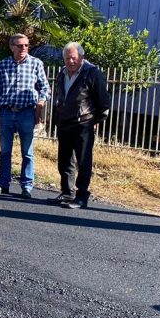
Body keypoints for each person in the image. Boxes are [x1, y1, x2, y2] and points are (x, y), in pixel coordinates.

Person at [0, 33, 51, 199]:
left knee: (27, 152)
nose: (24, 48)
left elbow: (45, 88)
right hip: (7, 112)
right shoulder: (3, 65)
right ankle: (3, 184)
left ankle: (27, 186)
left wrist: (40, 104)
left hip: (26, 113)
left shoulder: (36, 64)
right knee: (5, 151)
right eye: (20, 45)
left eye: (26, 45)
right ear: (12, 47)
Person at [50, 42, 111, 209]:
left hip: (83, 123)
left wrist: (94, 121)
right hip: (64, 123)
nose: (70, 61)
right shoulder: (62, 73)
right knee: (64, 161)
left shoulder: (92, 72)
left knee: (83, 161)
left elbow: (103, 101)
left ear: (81, 57)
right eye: (67, 58)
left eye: (73, 58)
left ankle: (82, 196)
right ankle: (67, 192)